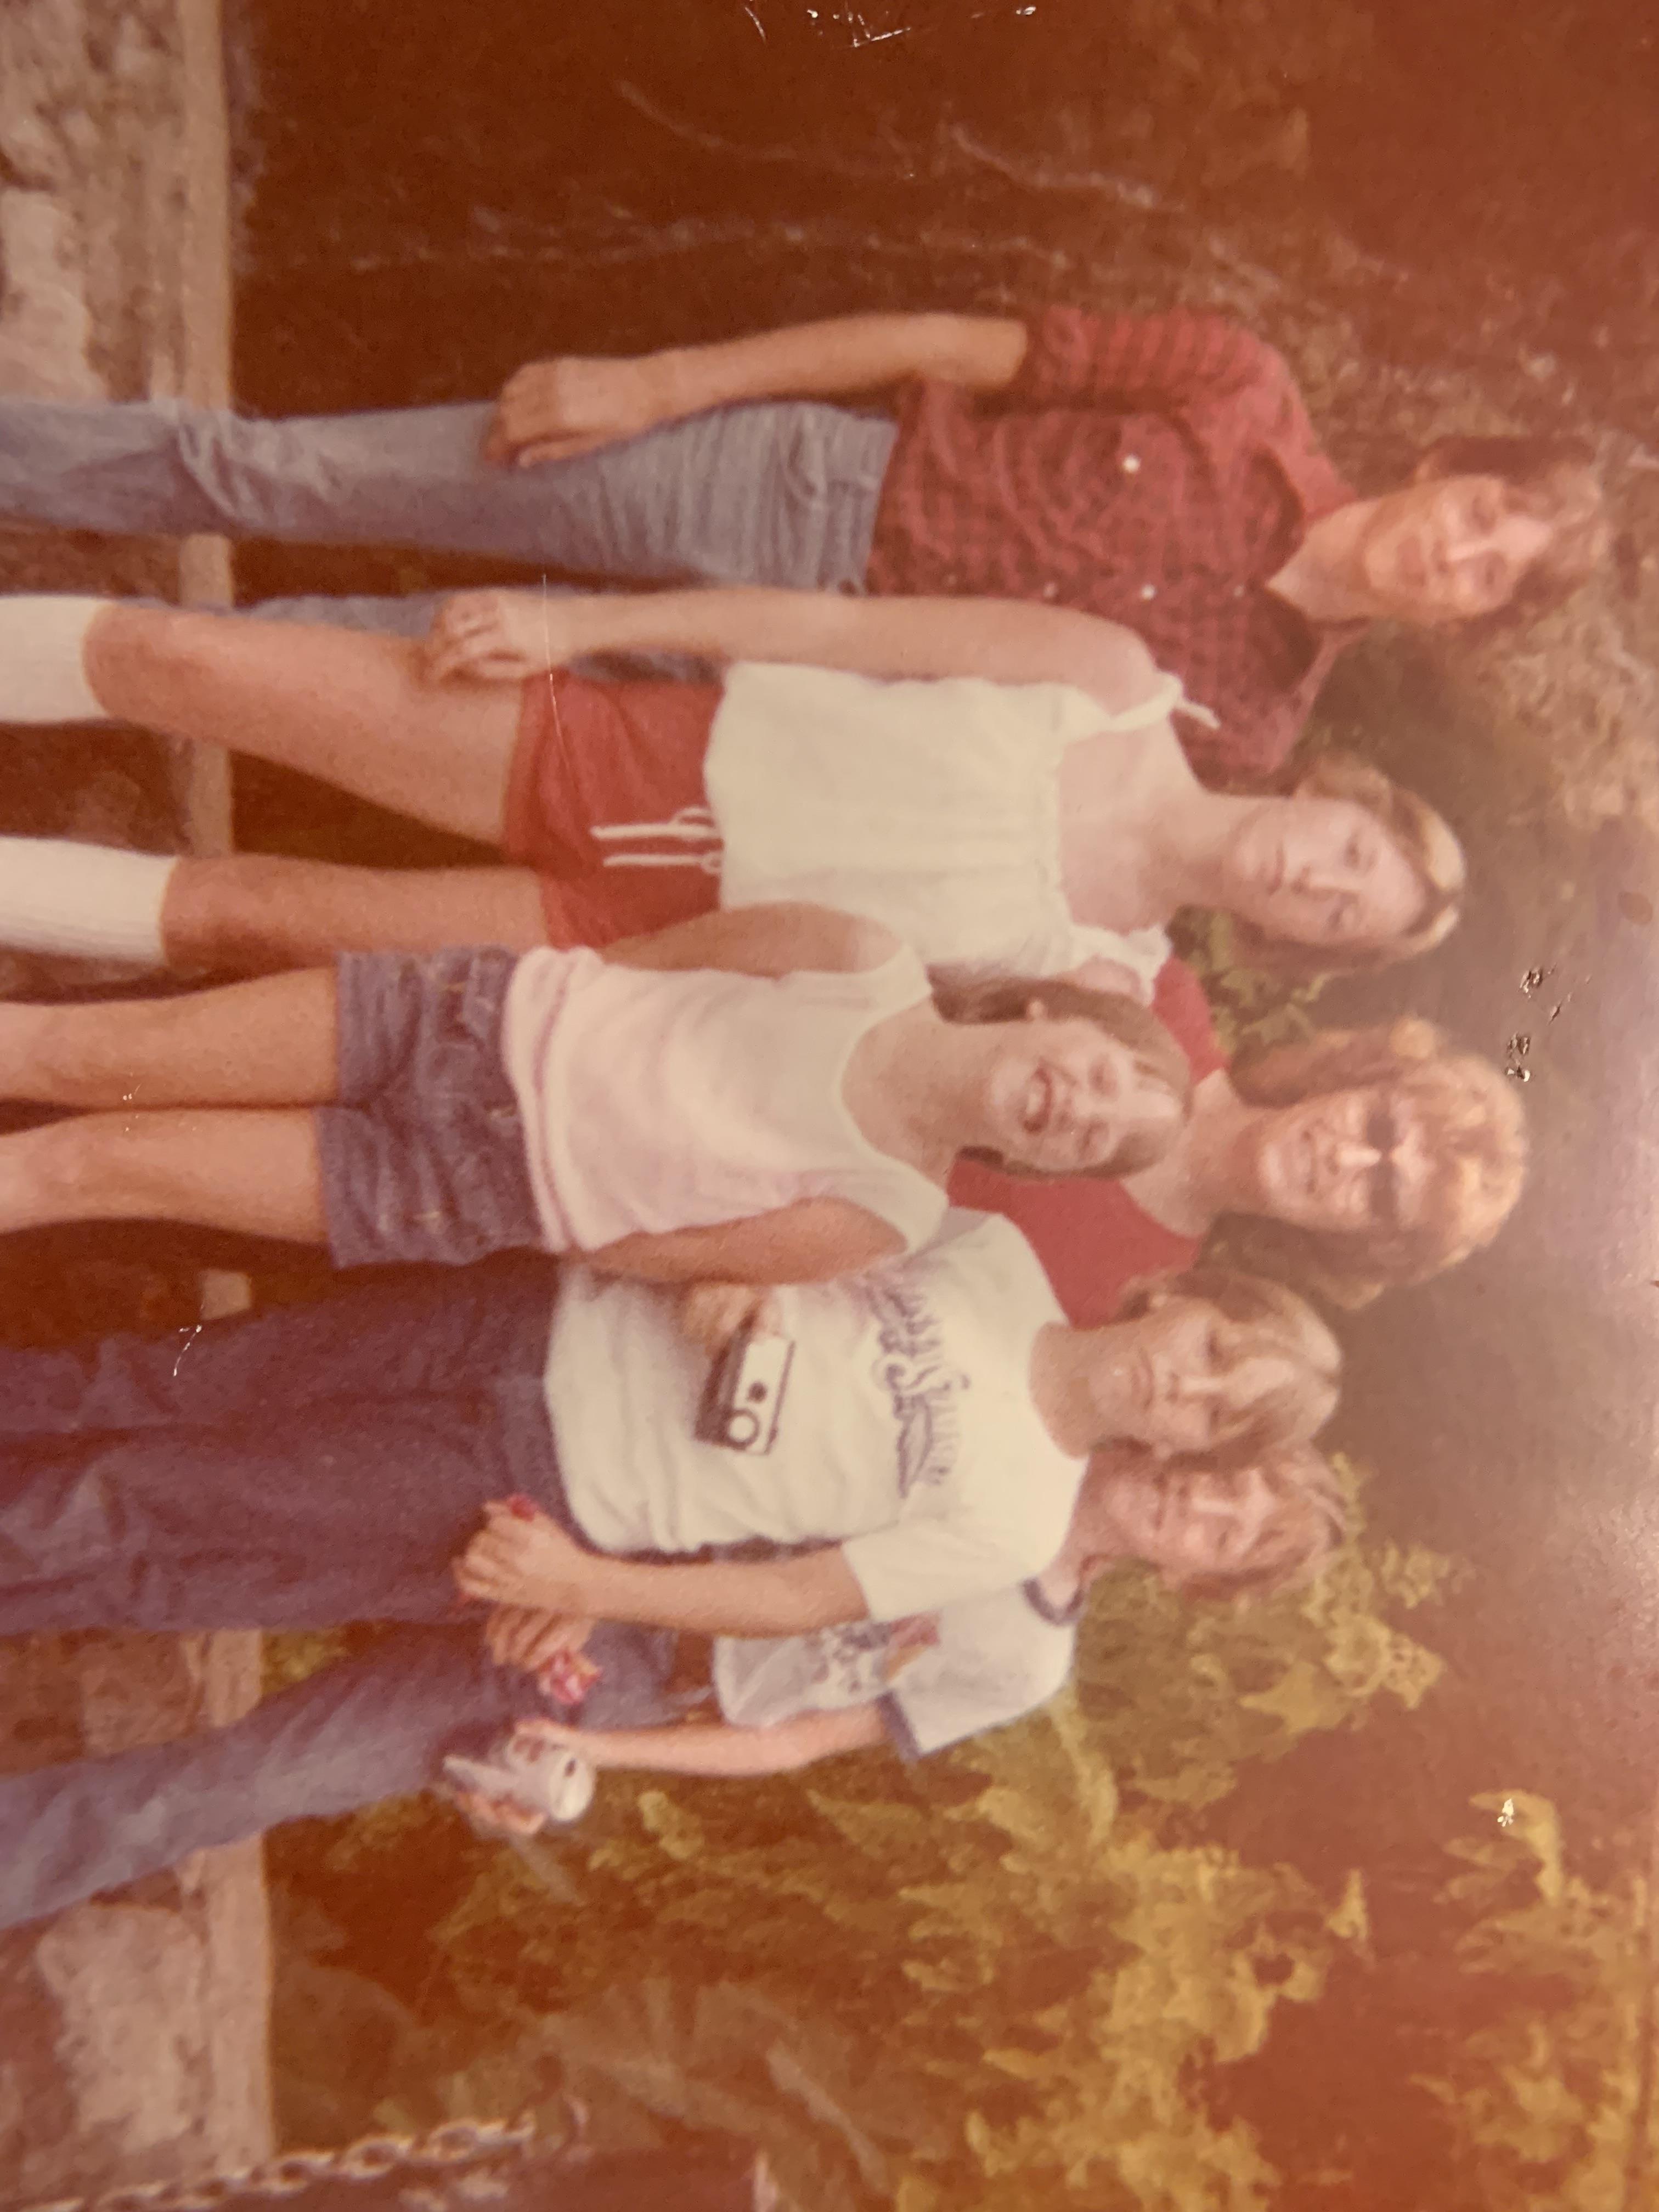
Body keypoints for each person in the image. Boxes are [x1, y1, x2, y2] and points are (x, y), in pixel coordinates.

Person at [0, 307, 1609, 782]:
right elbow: (947, 339)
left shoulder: (1250, 729)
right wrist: (656, 369)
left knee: (322, 665)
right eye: (1482, 516)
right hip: (788, 485)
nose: (1452, 557)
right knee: (280, 473)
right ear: (1450, 461)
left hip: (758, 676)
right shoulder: (1238, 385)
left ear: (1466, 622)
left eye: (1489, 578)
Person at [0, 1443, 1349, 1932]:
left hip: (601, 1680)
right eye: (1225, 1479)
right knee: (191, 1559)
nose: (1198, 1506)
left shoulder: (1026, 1656)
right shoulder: (1011, 1432)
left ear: (1190, 1582)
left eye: (1223, 1534)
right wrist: (587, 1567)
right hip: (585, 1526)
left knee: (239, 1784)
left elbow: (801, 1742)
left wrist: (595, 1759)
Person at [0, 584, 1462, 993]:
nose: (1314, 877)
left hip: (639, 939)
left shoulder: (1101, 985)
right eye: (1348, 849)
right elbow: (826, 629)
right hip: (638, 747)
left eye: (1340, 912)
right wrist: (573, 627)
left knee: (254, 913)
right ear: (1329, 794)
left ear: (1300, 946)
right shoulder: (1107, 673)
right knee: (185, 663)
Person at [0, 1232, 1340, 1646]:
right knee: (169, 1374)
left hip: (543, 1484)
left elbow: (796, 1593)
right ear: (1186, 1299)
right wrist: (737, 1275)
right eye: (1217, 1353)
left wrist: (593, 1588)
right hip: (536, 1320)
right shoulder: (992, 1255)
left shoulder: (1016, 1517)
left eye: (1219, 1419)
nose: (1189, 1388)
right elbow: (795, 1219)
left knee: (155, 1498)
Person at [0, 903, 1189, 1274]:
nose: (1086, 1107)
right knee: (93, 1056)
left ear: (1047, 1167)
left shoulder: (890, 1215)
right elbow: (654, 960)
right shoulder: (860, 958)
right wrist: (540, 1029)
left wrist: (538, 1181)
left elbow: (655, 1254)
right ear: (1054, 1015)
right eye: (1111, 1075)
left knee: (97, 1165)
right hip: (460, 1025)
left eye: (1101, 1139)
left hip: (462, 1192)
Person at [955, 1009, 1531, 1317]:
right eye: (1377, 1127)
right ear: (1350, 1079)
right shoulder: (1159, 1004)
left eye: (1381, 1192)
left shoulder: (1129, 1301)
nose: (1344, 1158)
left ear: (1360, 1243)